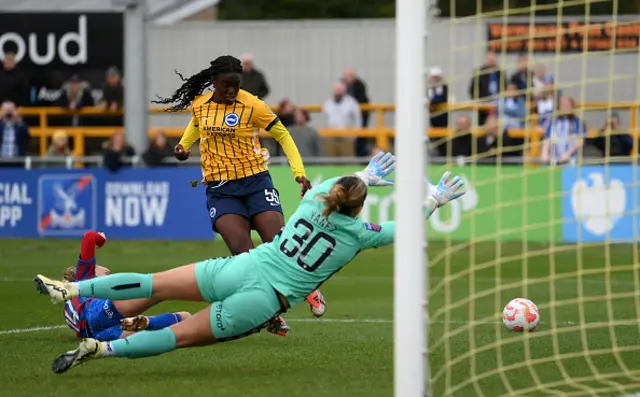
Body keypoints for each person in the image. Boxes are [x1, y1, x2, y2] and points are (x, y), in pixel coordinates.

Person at [34, 154, 466, 374]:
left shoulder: (315, 198)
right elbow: (405, 227)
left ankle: (70, 289)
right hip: (264, 298)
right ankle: (101, 349)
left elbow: (341, 184)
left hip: (244, 266)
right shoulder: (357, 235)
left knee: (153, 282)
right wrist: (434, 199)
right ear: (360, 207)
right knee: (181, 336)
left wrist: (367, 173)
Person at [151, 55, 317, 333]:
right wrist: (182, 146)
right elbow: (195, 127)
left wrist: (298, 172)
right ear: (213, 82)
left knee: (277, 242)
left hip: (256, 182)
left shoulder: (252, 104)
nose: (231, 91)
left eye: (236, 86)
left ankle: (309, 288)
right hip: (221, 189)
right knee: (242, 254)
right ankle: (269, 315)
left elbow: (283, 136)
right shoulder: (201, 106)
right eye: (226, 85)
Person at [60, 231, 190, 342]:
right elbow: (89, 237)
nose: (107, 270)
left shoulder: (70, 306)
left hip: (99, 334)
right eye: (98, 266)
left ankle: (180, 321)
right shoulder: (83, 278)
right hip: (100, 311)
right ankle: (197, 282)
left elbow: (79, 329)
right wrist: (101, 240)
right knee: (157, 288)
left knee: (180, 320)